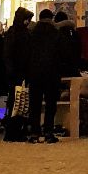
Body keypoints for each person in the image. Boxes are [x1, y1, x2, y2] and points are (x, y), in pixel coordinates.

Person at [26, 8, 64, 143]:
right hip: (51, 73)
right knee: (50, 104)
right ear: (51, 18)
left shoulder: (32, 33)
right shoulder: (56, 33)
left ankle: (34, 132)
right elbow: (61, 54)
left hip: (35, 73)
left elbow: (27, 54)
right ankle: (48, 132)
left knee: (35, 104)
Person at [2, 8, 34, 142]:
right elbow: (10, 54)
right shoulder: (17, 33)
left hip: (19, 72)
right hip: (18, 72)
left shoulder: (17, 32)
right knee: (17, 102)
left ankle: (16, 129)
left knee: (19, 101)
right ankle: (13, 131)